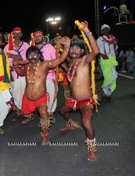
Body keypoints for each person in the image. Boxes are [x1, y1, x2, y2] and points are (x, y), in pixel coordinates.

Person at [13, 37, 70, 145]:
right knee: (25, 114)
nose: (32, 57)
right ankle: (31, 115)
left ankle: (45, 135)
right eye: (30, 55)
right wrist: (16, 66)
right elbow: (21, 73)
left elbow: (60, 59)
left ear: (39, 56)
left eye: (35, 55)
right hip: (28, 98)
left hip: (41, 97)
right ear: (27, 57)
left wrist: (66, 47)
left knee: (44, 114)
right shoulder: (27, 67)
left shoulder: (45, 65)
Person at [58, 21, 99, 161]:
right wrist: (61, 46)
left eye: (77, 48)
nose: (74, 50)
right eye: (72, 48)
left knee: (86, 121)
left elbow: (96, 50)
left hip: (85, 101)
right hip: (73, 100)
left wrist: (87, 31)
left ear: (82, 51)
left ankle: (92, 148)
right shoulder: (69, 64)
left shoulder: (85, 61)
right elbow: (60, 61)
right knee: (62, 111)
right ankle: (70, 124)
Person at [24, 29, 57, 125]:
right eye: (36, 36)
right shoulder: (32, 49)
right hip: (36, 79)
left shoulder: (49, 47)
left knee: (50, 97)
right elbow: (28, 61)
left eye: (40, 36)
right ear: (33, 38)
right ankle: (43, 114)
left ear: (43, 37)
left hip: (49, 77)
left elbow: (55, 59)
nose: (38, 37)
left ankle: (50, 114)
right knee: (40, 99)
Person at [4, 27, 30, 122]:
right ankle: (18, 112)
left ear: (22, 35)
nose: (17, 35)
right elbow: (4, 60)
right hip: (13, 74)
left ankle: (27, 113)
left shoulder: (26, 45)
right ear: (13, 35)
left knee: (25, 93)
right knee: (14, 94)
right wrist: (8, 68)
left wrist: (13, 56)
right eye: (16, 33)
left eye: (19, 33)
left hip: (24, 73)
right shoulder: (7, 46)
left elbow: (28, 58)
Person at [97, 24, 118, 102]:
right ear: (102, 31)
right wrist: (102, 54)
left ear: (109, 30)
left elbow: (115, 49)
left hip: (112, 59)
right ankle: (106, 93)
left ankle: (106, 91)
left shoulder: (113, 38)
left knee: (114, 76)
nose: (105, 30)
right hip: (105, 59)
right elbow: (96, 48)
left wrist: (115, 43)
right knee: (108, 77)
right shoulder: (100, 39)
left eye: (107, 29)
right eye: (104, 29)